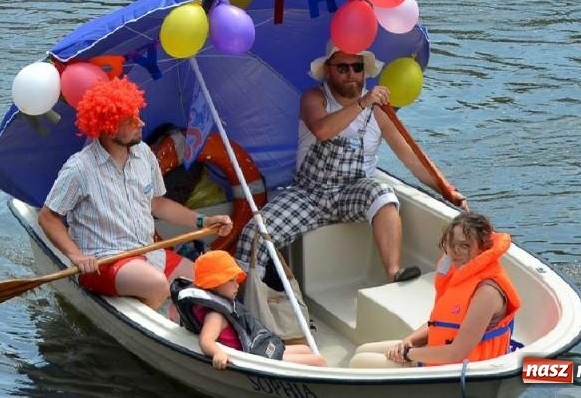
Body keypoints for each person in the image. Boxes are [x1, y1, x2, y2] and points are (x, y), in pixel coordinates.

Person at [232, 42, 466, 289]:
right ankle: (243, 298)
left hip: (351, 194)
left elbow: (412, 158)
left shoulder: (379, 111)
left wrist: (446, 189)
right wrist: (362, 103)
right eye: (342, 68)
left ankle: (394, 273)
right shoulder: (314, 98)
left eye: (357, 67)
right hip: (308, 194)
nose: (351, 74)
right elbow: (322, 130)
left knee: (384, 195)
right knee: (253, 235)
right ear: (329, 71)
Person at [39, 77, 233, 316]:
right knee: (157, 284)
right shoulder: (79, 168)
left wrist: (203, 220)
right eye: (131, 120)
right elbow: (48, 217)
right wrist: (77, 256)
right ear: (110, 127)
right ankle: (157, 325)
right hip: (104, 262)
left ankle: (177, 327)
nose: (141, 123)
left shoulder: (143, 154)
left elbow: (157, 204)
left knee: (206, 281)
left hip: (149, 254)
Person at [348, 212, 521, 368]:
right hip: (440, 350)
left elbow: (456, 353)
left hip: (462, 367)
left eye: (465, 246)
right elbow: (442, 323)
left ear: (482, 247)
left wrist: (408, 354)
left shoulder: (487, 291)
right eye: (452, 245)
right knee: (362, 350)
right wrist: (411, 341)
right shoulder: (459, 273)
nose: (456, 251)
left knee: (360, 362)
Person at [180, 249, 327, 369]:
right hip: (255, 357)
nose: (237, 284)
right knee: (318, 362)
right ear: (213, 284)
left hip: (258, 346)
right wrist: (217, 354)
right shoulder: (215, 316)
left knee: (305, 349)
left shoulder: (221, 304)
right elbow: (206, 340)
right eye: (231, 280)